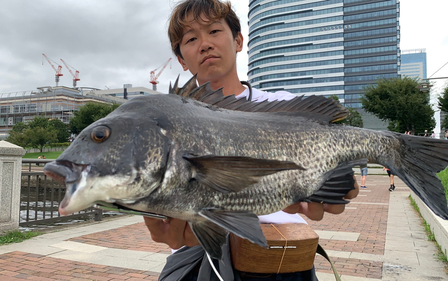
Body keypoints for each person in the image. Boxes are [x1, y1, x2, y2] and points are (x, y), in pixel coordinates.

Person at [143, 1, 360, 280]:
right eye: (191, 38)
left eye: (214, 31)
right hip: (200, 256)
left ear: (238, 41)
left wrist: (335, 182)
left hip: (283, 253)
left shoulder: (282, 106)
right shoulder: (169, 122)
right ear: (182, 60)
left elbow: (325, 157)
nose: (205, 44)